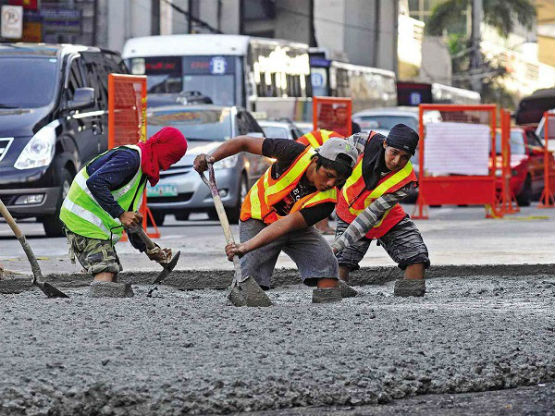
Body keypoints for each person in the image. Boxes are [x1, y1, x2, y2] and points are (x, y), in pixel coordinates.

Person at [194, 135, 358, 303]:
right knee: (249, 278)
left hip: (292, 227)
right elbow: (243, 142)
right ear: (316, 160)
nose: (331, 183)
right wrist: (211, 158)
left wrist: (245, 247)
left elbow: (287, 224)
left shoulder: (327, 202)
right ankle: (246, 302)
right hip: (257, 216)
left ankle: (328, 301)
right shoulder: (292, 152)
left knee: (326, 262)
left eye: (338, 180)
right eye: (328, 175)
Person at [59, 127, 188, 294]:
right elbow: (95, 182)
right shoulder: (130, 159)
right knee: (106, 270)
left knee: (112, 277)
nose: (168, 165)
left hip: (93, 227)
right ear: (162, 148)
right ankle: (92, 315)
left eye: (173, 161)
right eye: (170, 157)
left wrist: (149, 248)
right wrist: (120, 213)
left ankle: (102, 311)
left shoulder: (142, 172)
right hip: (81, 221)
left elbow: (129, 223)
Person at [332, 124, 430, 297]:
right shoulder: (361, 142)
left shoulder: (406, 180)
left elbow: (370, 216)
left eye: (404, 157)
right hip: (349, 213)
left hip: (386, 218)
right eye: (394, 153)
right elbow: (332, 157)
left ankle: (409, 297)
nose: (397, 161)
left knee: (417, 256)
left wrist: (336, 246)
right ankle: (338, 292)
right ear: (385, 144)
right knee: (341, 263)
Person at [296, 129, 345, 235]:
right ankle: (322, 226)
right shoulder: (346, 153)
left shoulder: (345, 149)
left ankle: (321, 225)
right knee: (325, 190)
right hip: (309, 149)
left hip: (311, 148)